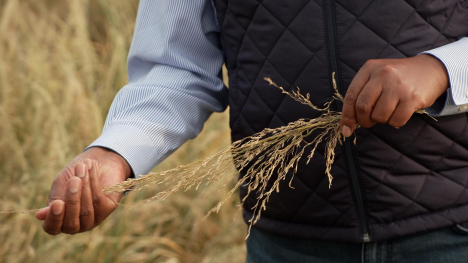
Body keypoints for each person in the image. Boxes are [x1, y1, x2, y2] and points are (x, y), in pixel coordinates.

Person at [35, 0, 468, 262]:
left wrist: (443, 69)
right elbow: (175, 65)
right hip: (287, 244)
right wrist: (114, 155)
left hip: (452, 233)